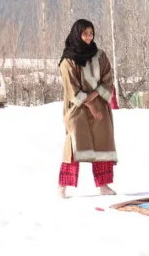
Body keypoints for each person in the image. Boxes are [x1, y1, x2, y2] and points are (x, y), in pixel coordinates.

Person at [57, 19, 117, 198]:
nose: (89, 37)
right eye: (85, 34)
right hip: (78, 109)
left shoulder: (100, 55)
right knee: (74, 146)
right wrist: (89, 103)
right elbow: (71, 88)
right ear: (77, 34)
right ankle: (63, 186)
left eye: (91, 33)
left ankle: (103, 185)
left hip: (99, 105)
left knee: (102, 145)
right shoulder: (68, 60)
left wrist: (95, 95)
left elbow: (108, 79)